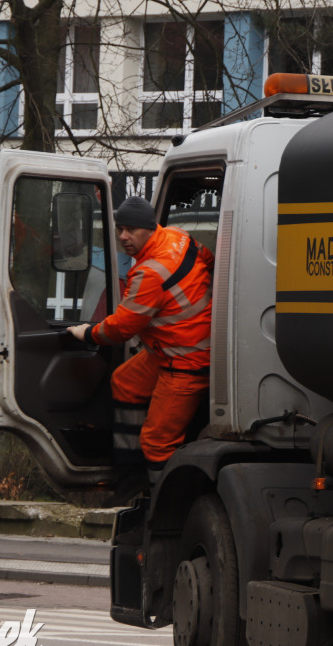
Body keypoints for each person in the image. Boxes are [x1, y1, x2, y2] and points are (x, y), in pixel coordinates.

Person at [67, 196, 214, 482]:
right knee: (125, 381)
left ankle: (158, 504)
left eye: (131, 230)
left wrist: (86, 332)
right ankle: (129, 465)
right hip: (173, 348)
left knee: (157, 444)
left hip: (187, 362)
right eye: (120, 229)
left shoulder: (150, 273)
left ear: (149, 228)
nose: (123, 236)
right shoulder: (179, 238)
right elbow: (209, 260)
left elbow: (120, 329)